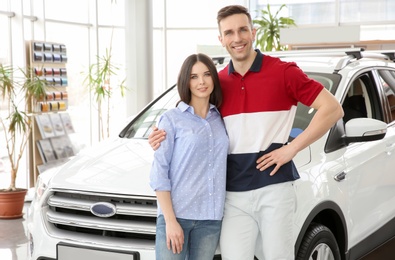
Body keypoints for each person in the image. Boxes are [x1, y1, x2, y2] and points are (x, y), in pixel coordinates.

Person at [149, 5, 344, 260]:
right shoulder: (217, 84)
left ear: (253, 32)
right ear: (221, 40)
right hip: (232, 196)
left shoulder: (284, 72)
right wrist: (158, 134)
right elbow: (194, 121)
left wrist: (292, 148)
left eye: (242, 30)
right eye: (229, 32)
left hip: (275, 187)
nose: (237, 38)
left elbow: (332, 109)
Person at [149, 53, 229, 260]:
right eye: (194, 77)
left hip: (210, 218)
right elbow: (159, 173)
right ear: (186, 81)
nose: (201, 82)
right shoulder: (171, 119)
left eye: (206, 75)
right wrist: (170, 221)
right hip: (178, 216)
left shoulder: (221, 118)